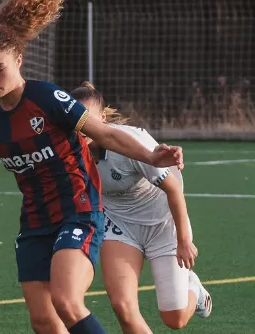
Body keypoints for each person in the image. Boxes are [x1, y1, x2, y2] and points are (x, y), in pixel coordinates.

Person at [0, 0, 185, 334]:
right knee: (43, 320)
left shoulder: (47, 99)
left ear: (19, 60)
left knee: (66, 301)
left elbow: (105, 133)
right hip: (35, 222)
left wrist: (150, 155)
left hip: (78, 212)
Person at [69, 81, 212, 333]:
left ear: (101, 118)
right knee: (123, 307)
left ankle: (195, 291)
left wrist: (184, 240)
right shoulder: (67, 149)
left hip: (162, 222)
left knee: (175, 319)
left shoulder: (130, 143)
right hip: (119, 223)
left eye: (87, 120)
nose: (82, 129)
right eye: (76, 121)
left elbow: (173, 189)